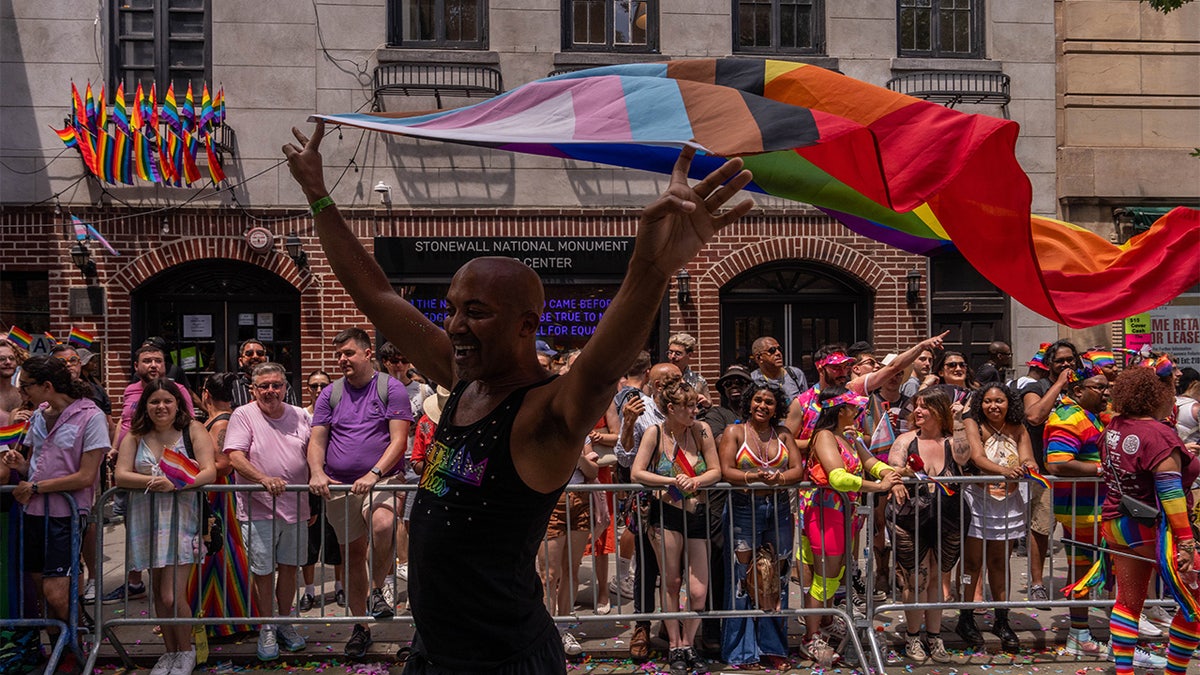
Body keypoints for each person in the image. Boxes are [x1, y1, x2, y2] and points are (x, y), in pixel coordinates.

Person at [284, 123, 754, 672]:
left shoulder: (543, 414)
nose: (455, 325)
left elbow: (601, 370)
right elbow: (377, 293)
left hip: (503, 660)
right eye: (453, 308)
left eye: (476, 312)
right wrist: (318, 195)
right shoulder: (462, 379)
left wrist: (651, 269)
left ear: (527, 325)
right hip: (435, 654)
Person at [307, 328, 411, 658]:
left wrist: (374, 474)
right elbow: (317, 439)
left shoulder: (390, 389)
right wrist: (318, 472)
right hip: (339, 486)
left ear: (367, 354)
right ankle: (360, 627)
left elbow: (398, 440)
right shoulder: (330, 394)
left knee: (382, 524)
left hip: (381, 480)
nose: (342, 359)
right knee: (352, 557)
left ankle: (378, 588)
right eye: (339, 354)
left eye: (348, 353)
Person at [1, 356, 108, 672]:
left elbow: (86, 476)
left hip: (66, 515)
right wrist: (18, 465)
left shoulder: (91, 417)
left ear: (47, 386)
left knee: (57, 592)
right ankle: (61, 647)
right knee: (41, 590)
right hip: (33, 513)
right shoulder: (37, 415)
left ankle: (75, 644)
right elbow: (33, 464)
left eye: (28, 386)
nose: (24, 394)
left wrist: (36, 487)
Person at [113, 378, 217, 675]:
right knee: (159, 592)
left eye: (167, 401)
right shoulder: (135, 435)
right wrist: (151, 482)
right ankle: (169, 652)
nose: (161, 407)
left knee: (173, 594)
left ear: (178, 404)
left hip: (182, 518)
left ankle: (186, 650)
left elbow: (209, 471)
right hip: (145, 518)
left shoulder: (192, 430)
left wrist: (177, 483)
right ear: (145, 405)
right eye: (154, 401)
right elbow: (121, 475)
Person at [1101, 366, 1200, 675]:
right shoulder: (1158, 435)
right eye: (1171, 388)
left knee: (1128, 601)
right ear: (1159, 394)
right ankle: (1175, 672)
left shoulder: (1116, 426)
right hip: (1152, 529)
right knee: (1193, 600)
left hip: (1118, 523)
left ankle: (1124, 671)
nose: (1174, 395)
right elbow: (1169, 493)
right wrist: (1186, 542)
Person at [802, 386, 900, 667]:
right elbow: (837, 477)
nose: (860, 412)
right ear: (841, 410)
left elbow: (870, 461)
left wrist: (891, 472)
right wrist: (878, 485)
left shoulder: (848, 437)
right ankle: (811, 637)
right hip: (826, 514)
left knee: (838, 573)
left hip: (848, 514)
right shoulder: (823, 436)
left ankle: (827, 621)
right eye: (855, 408)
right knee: (824, 577)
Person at [631, 380, 722, 675]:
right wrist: (671, 481)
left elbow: (715, 469)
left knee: (698, 590)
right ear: (671, 408)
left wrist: (696, 481)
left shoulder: (702, 431)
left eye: (696, 404)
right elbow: (637, 472)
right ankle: (675, 645)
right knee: (671, 582)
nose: (696, 410)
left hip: (697, 514)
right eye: (689, 406)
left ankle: (689, 641)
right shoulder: (654, 433)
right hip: (665, 515)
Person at [224, 363, 311, 661]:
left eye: (276, 385)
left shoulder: (301, 415)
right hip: (258, 508)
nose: (270, 391)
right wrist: (264, 479)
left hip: (297, 507)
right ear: (253, 389)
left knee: (290, 568)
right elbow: (235, 456)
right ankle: (267, 627)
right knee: (263, 572)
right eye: (264, 386)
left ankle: (284, 622)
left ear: (286, 387)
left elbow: (315, 453)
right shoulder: (243, 414)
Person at [717, 381, 803, 670]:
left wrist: (778, 479)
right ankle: (741, 652)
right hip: (743, 508)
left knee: (775, 580)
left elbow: (797, 470)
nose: (762, 406)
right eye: (757, 400)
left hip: (778, 508)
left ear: (776, 407)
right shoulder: (734, 432)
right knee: (743, 581)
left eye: (769, 402)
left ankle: (773, 648)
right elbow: (727, 470)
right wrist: (751, 475)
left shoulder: (783, 434)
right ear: (748, 403)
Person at [886, 387, 970, 663]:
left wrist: (958, 423)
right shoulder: (905, 439)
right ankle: (912, 637)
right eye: (916, 406)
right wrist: (901, 474)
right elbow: (892, 466)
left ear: (940, 410)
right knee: (916, 578)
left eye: (925, 406)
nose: (918, 411)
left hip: (947, 517)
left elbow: (963, 458)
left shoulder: (951, 440)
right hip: (911, 518)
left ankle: (934, 636)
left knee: (936, 577)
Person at [955, 383, 1035, 652]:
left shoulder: (1018, 427)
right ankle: (965, 617)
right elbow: (977, 457)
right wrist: (1004, 470)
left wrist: (1028, 466)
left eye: (999, 401)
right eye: (988, 401)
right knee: (972, 563)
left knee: (1000, 562)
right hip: (978, 500)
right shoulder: (974, 424)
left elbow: (1027, 457)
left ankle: (1002, 618)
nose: (993, 406)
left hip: (1008, 502)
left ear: (1009, 402)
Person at [1044, 359, 1113, 656]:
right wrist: (1102, 470)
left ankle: (1082, 634)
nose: (1105, 392)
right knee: (1092, 571)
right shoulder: (1068, 417)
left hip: (1094, 510)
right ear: (1078, 390)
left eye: (1106, 387)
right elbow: (1057, 463)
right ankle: (1086, 635)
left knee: (1093, 571)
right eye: (1099, 387)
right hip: (1082, 510)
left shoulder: (1088, 415)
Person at [193, 372, 256, 637]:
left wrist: (187, 468)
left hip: (220, 494)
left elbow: (224, 463)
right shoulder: (219, 419)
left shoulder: (222, 422)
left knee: (222, 549)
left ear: (205, 393)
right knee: (214, 551)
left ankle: (229, 619)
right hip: (214, 492)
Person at [298, 370, 342, 612]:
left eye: (323, 386)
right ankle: (309, 591)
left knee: (337, 537)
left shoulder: (339, 411)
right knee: (310, 542)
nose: (318, 390)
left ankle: (339, 586)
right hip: (309, 483)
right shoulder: (301, 415)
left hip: (335, 481)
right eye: (313, 386)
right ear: (307, 388)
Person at [230, 340, 299, 409]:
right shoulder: (232, 388)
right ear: (240, 361)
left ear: (266, 360)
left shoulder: (282, 386)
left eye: (260, 353)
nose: (255, 356)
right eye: (249, 353)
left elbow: (291, 415)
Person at [749, 337, 807, 405]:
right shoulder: (753, 380)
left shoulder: (795, 374)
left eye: (779, 349)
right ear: (758, 357)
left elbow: (806, 404)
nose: (778, 353)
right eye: (772, 350)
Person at [666, 333, 711, 401]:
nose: (672, 356)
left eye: (678, 354)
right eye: (670, 352)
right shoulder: (659, 376)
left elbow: (709, 405)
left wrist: (707, 405)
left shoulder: (698, 380)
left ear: (689, 355)